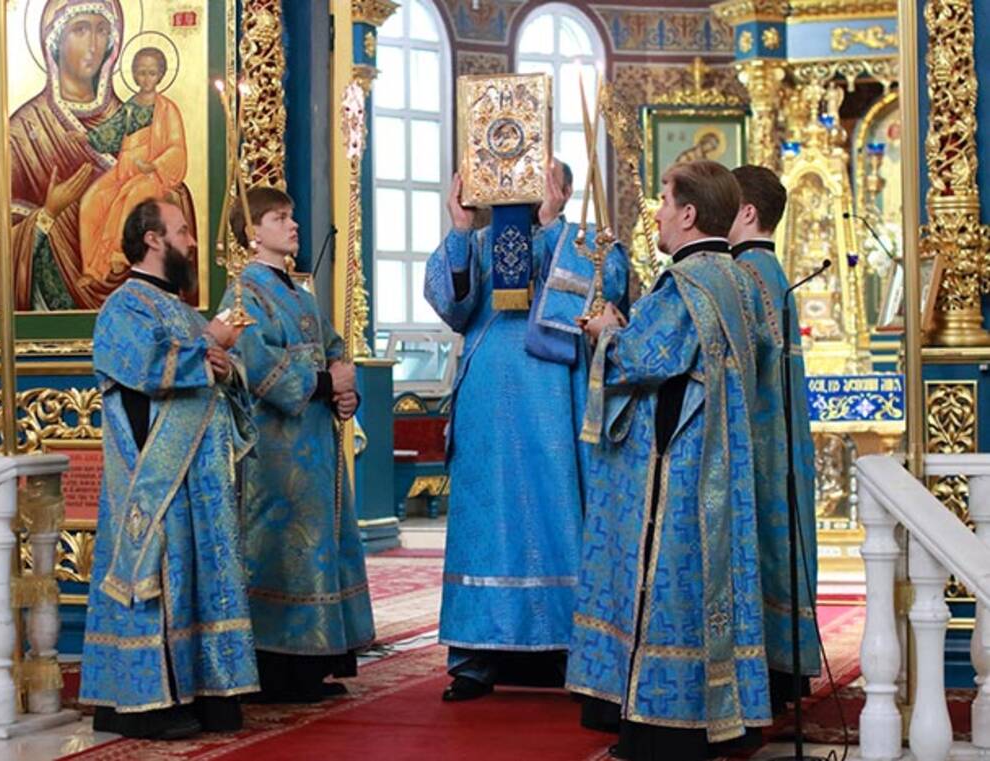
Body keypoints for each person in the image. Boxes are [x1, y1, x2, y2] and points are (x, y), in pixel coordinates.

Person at [569, 160, 770, 760]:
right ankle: (723, 716)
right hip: (724, 465)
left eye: (663, 201)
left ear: (688, 213)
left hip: (680, 470)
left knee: (669, 593)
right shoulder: (741, 280)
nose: (656, 213)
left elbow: (641, 358)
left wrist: (605, 331)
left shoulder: (687, 283)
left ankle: (664, 728)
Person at [424, 161, 631, 701]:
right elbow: (449, 304)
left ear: (564, 190)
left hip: (554, 399)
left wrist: (553, 227)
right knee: (485, 519)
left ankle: (566, 646)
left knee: (555, 509)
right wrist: (460, 227)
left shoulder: (585, 242)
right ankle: (476, 653)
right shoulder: (480, 241)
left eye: (541, 179)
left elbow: (612, 288)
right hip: (487, 403)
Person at [80, 198, 258, 739]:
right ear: (153, 239)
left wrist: (227, 366)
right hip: (155, 478)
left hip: (202, 480)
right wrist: (208, 352)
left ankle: (207, 691)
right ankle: (143, 703)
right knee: (157, 577)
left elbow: (219, 376)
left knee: (201, 580)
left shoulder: (183, 310)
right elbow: (145, 367)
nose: (192, 241)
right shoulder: (122, 308)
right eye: (182, 231)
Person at [223, 186, 375, 703]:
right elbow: (257, 364)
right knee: (283, 551)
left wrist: (345, 390)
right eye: (279, 218)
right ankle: (279, 667)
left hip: (316, 441)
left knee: (320, 546)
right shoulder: (243, 294)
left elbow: (333, 349)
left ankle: (317, 661)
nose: (293, 225)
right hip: (275, 449)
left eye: (291, 215)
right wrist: (327, 383)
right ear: (252, 232)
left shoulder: (301, 295)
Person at [0, 0, 198, 312]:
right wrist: (48, 214)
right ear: (54, 40)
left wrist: (161, 186)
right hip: (50, 311)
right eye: (80, 30)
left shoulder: (142, 113)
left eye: (102, 31)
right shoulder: (22, 131)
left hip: (144, 309)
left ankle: (114, 255)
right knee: (97, 198)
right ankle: (96, 266)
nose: (94, 45)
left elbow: (174, 180)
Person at [729, 165, 820, 713]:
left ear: (746, 212)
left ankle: (767, 675)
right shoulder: (772, 270)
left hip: (758, 442)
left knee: (762, 546)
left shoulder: (745, 274)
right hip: (778, 438)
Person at [79, 46, 189, 282]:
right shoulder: (130, 106)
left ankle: (117, 256)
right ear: (134, 75)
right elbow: (112, 131)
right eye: (141, 73)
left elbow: (177, 148)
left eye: (152, 73)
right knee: (92, 200)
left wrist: (156, 165)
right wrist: (87, 137)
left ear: (161, 74)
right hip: (123, 171)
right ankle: (91, 268)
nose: (146, 79)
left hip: (153, 175)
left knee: (131, 197)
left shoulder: (167, 109)